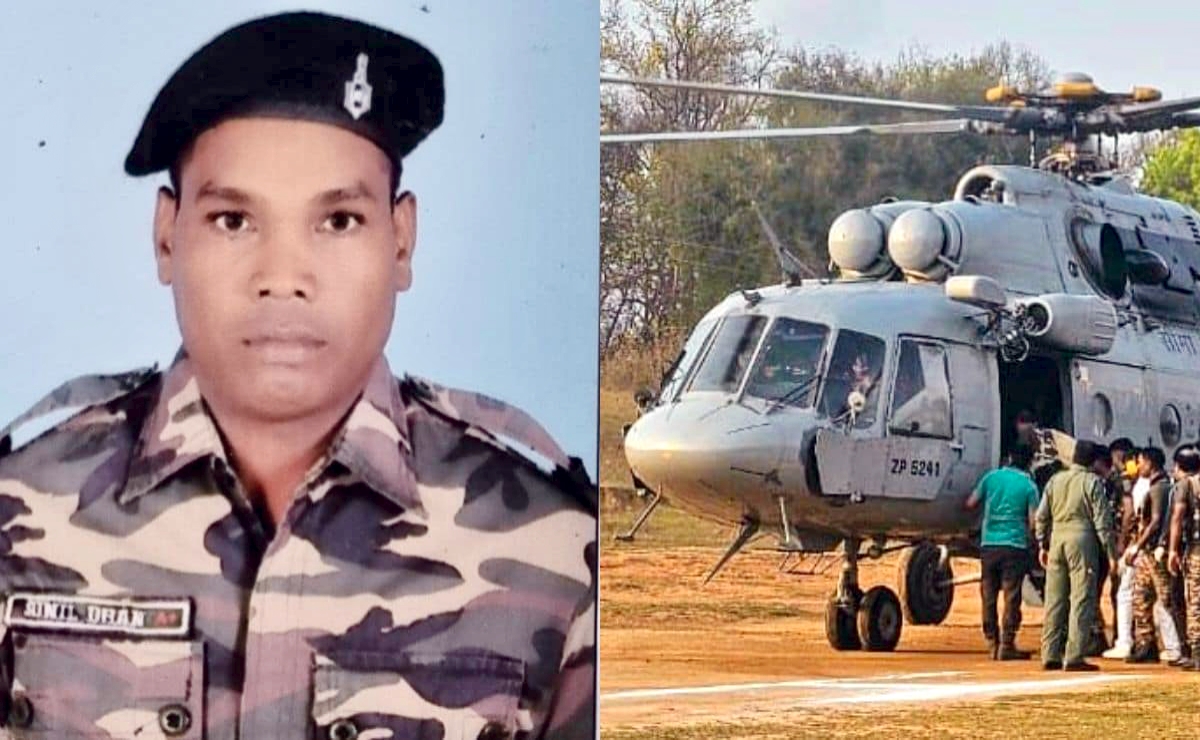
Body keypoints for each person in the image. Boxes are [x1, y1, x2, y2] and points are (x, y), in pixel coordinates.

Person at [0, 12, 596, 739]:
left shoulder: (556, 552)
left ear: (401, 242)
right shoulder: (16, 512)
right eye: (233, 220)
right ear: (165, 237)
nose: (283, 278)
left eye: (338, 221)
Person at [1036, 440, 1118, 671]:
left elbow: (1041, 516)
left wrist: (1043, 544)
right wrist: (1111, 553)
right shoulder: (1092, 482)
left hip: (1057, 539)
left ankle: (1050, 653)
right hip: (1082, 540)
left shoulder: (1055, 480)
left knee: (1054, 599)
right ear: (1093, 461)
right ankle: (1074, 655)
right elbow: (1102, 521)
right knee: (1081, 598)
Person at [965, 444, 1040, 659]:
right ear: (1029, 462)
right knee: (1011, 596)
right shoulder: (1029, 486)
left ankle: (991, 641)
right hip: (1015, 545)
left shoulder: (991, 478)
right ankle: (1007, 644)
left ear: (1008, 458)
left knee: (988, 595)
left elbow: (970, 503)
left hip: (989, 544)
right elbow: (1034, 522)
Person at [1125, 447, 1182, 663]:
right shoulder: (1155, 485)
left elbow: (1156, 521)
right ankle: (1146, 644)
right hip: (1148, 552)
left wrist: (1136, 546)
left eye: (1140, 461)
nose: (1138, 466)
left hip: (1156, 553)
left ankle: (1180, 646)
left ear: (1150, 462)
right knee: (1141, 596)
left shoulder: (1160, 487)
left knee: (1167, 599)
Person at [1167, 446, 1200, 670]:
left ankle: (1197, 651)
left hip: (1196, 550)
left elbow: (1177, 518)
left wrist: (1172, 550)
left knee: (1195, 601)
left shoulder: (1186, 485)